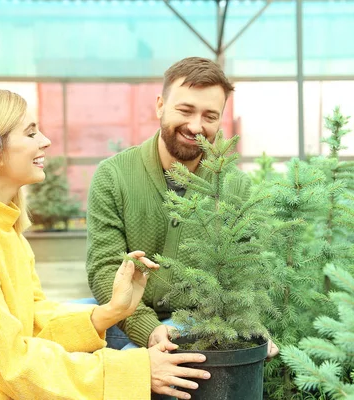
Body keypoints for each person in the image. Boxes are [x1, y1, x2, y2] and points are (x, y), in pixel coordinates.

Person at [0, 89, 210, 400]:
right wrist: (134, 371)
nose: (45, 141)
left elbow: (30, 321)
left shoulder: (0, 222)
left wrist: (111, 312)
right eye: (30, 133)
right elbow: (11, 363)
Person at [86, 57, 280, 358]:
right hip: (126, 313)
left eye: (209, 116)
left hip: (197, 323)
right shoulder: (114, 175)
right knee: (60, 328)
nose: (195, 126)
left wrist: (249, 326)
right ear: (160, 105)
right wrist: (147, 327)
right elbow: (104, 267)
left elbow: (247, 273)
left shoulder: (235, 186)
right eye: (185, 110)